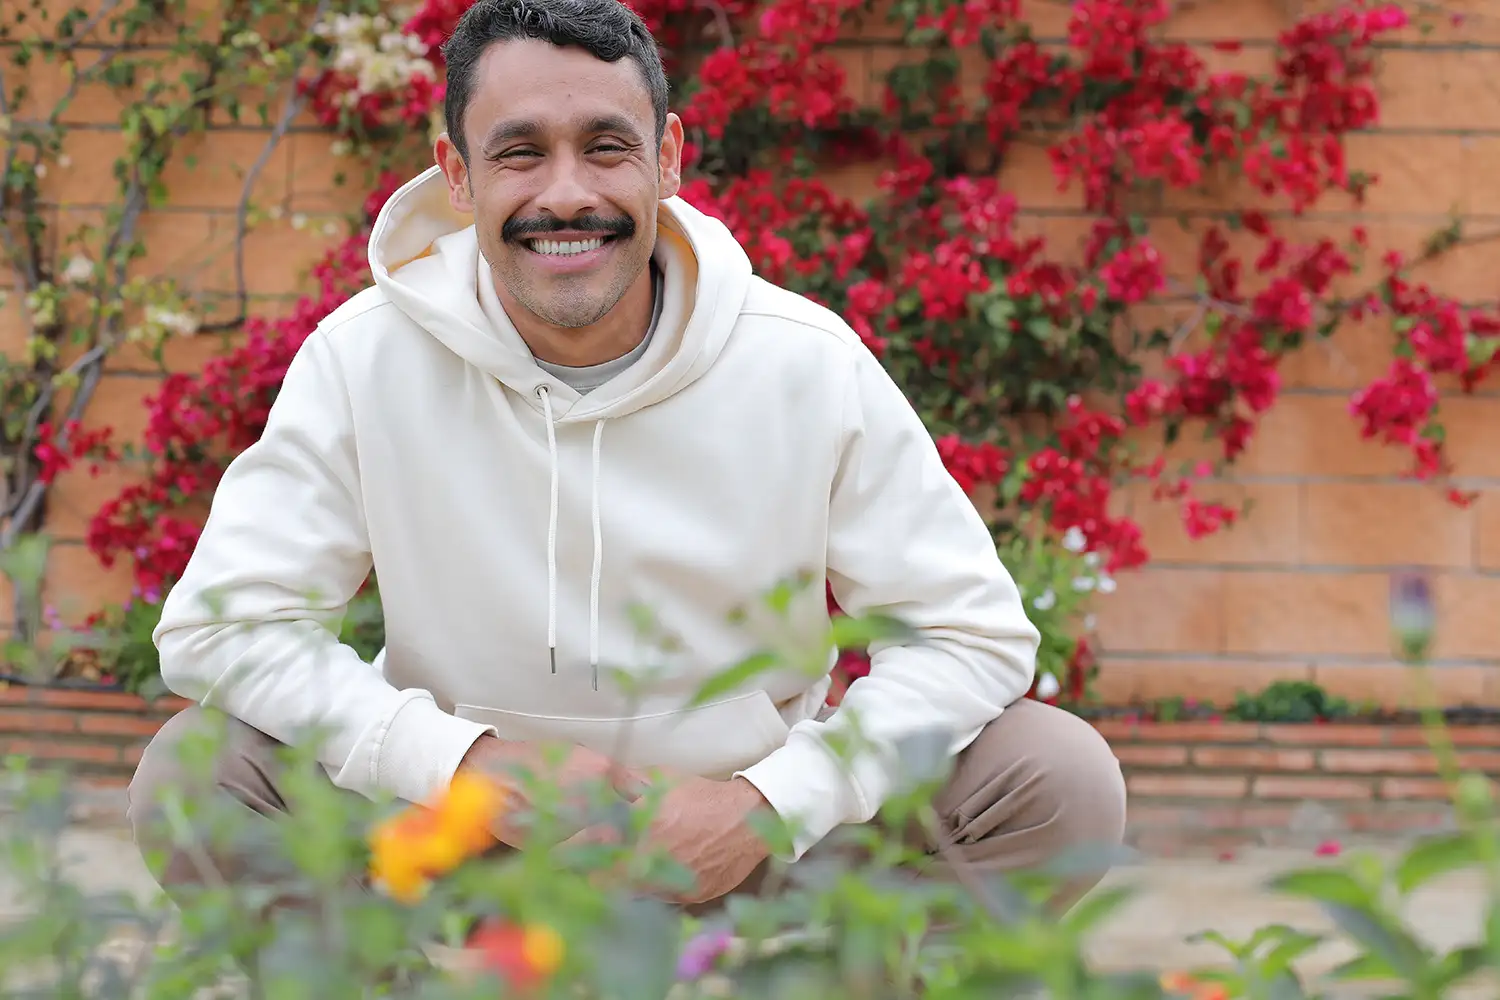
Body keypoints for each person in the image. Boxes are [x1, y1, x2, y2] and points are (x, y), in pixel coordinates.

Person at [127, 0, 1127, 913]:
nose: (567, 195)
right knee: (198, 775)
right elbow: (223, 627)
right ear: (457, 171)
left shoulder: (803, 363)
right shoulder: (363, 359)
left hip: (751, 857)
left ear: (669, 158)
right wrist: (456, 760)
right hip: (454, 847)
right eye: (519, 153)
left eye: (607, 147)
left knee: (1055, 777)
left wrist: (772, 801)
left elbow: (973, 636)